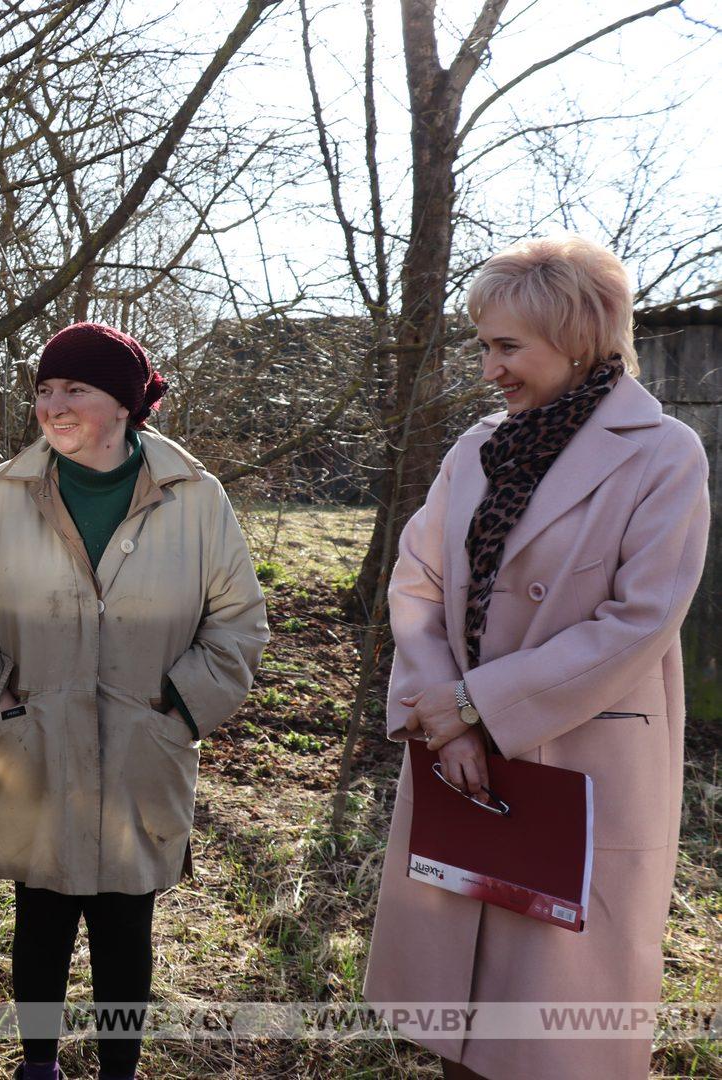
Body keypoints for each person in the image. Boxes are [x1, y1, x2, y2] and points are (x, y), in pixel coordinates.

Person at [364, 236, 711, 1080]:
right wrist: (445, 718)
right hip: (462, 758)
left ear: (580, 337)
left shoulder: (664, 454)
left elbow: (640, 622)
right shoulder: (476, 448)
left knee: (552, 1037)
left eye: (507, 347)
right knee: (462, 1021)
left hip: (581, 762)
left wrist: (480, 703)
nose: (490, 370)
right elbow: (415, 585)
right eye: (484, 345)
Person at [0, 322, 269, 1080]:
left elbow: (238, 623)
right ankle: (37, 1064)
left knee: (125, 923)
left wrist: (178, 708)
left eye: (75, 388)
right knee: (39, 914)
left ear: (124, 403)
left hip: (146, 747)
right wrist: (0, 705)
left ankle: (120, 1068)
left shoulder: (195, 498)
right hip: (34, 742)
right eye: (45, 390)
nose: (55, 404)